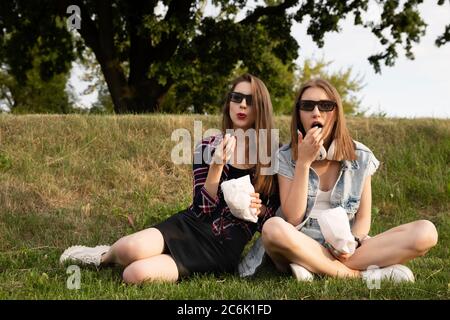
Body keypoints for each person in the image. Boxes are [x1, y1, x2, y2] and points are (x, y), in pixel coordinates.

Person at [60, 73, 280, 284]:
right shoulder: (209, 145)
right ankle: (102, 257)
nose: (242, 105)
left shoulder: (271, 157)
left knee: (134, 275)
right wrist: (217, 165)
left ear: (261, 107)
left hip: (220, 249)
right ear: (229, 103)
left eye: (250, 100)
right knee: (130, 249)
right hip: (189, 225)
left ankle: (150, 259)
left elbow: (278, 220)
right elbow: (201, 208)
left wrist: (258, 210)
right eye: (236, 98)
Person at [261, 78, 438, 282]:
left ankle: (314, 267)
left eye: (325, 106)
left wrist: (349, 243)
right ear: (299, 113)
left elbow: (363, 219)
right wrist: (303, 163)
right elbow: (292, 219)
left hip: (346, 247)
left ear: (336, 113)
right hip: (300, 242)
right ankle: (355, 275)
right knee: (273, 228)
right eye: (307, 106)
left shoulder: (361, 155)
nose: (316, 112)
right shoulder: (285, 155)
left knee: (426, 232)